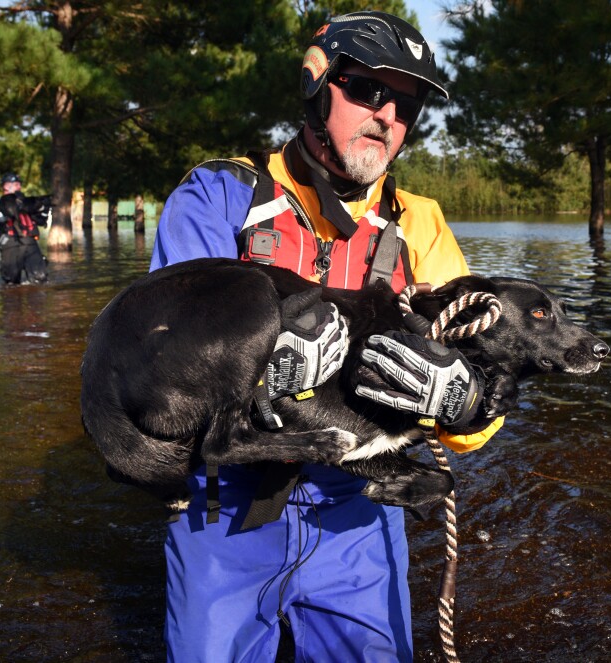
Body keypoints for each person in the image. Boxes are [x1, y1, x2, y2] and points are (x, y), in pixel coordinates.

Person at [149, 11, 505, 662]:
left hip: (357, 509)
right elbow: (170, 367)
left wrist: (463, 399)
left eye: (408, 103)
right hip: (228, 500)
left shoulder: (417, 225)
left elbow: (479, 389)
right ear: (317, 85)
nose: (388, 116)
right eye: (369, 90)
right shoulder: (219, 198)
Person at [0, 172, 49, 285]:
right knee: (11, 282)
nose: (19, 187)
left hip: (29, 242)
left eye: (19, 184)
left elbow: (39, 220)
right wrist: (12, 210)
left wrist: (42, 209)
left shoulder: (25, 201)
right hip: (11, 243)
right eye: (16, 184)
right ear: (6, 186)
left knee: (40, 279)